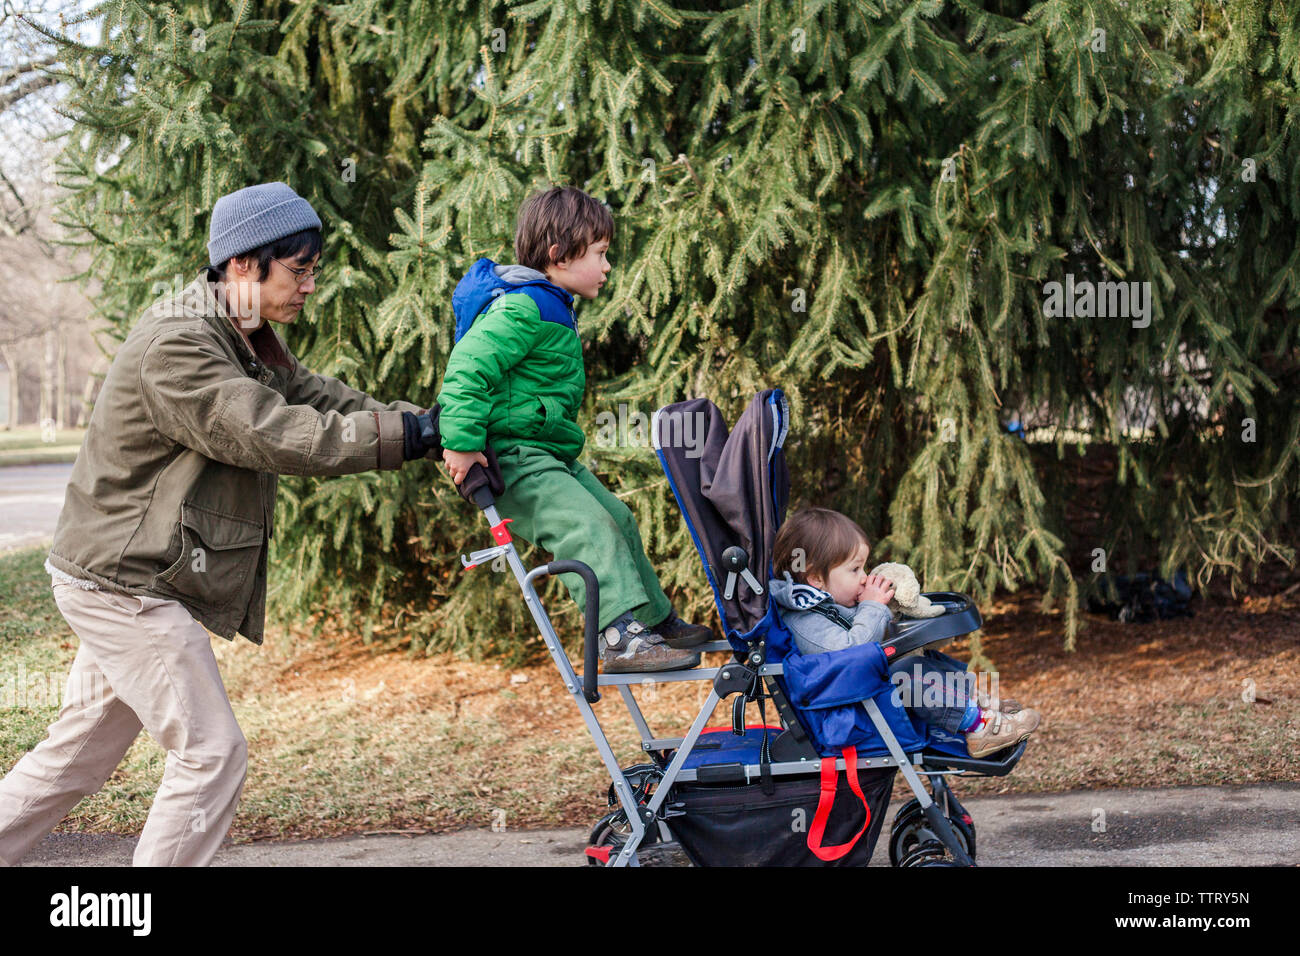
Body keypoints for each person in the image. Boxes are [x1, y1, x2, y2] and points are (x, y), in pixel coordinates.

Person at [0, 182, 442, 867]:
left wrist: (423, 428)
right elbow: (272, 431)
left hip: (124, 575)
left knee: (73, 763)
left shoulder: (235, 329)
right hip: (125, 585)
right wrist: (409, 437)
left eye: (313, 270)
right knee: (211, 754)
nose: (310, 286)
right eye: (299, 269)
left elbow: (312, 395)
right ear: (243, 265)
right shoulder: (178, 342)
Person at [437, 185, 711, 673]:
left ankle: (652, 620)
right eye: (601, 254)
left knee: (618, 519)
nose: (608, 267)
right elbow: (467, 367)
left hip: (546, 455)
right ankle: (618, 639)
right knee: (587, 528)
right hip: (512, 459)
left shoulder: (549, 303)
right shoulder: (523, 307)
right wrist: (459, 444)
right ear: (559, 256)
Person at [768, 507, 1042, 758]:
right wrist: (873, 607)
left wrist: (889, 609)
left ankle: (976, 705)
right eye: (854, 569)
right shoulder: (803, 620)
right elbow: (853, 652)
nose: (864, 576)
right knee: (908, 676)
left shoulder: (824, 603)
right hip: (846, 712)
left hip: (858, 693)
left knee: (917, 660)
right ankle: (979, 727)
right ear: (815, 578)